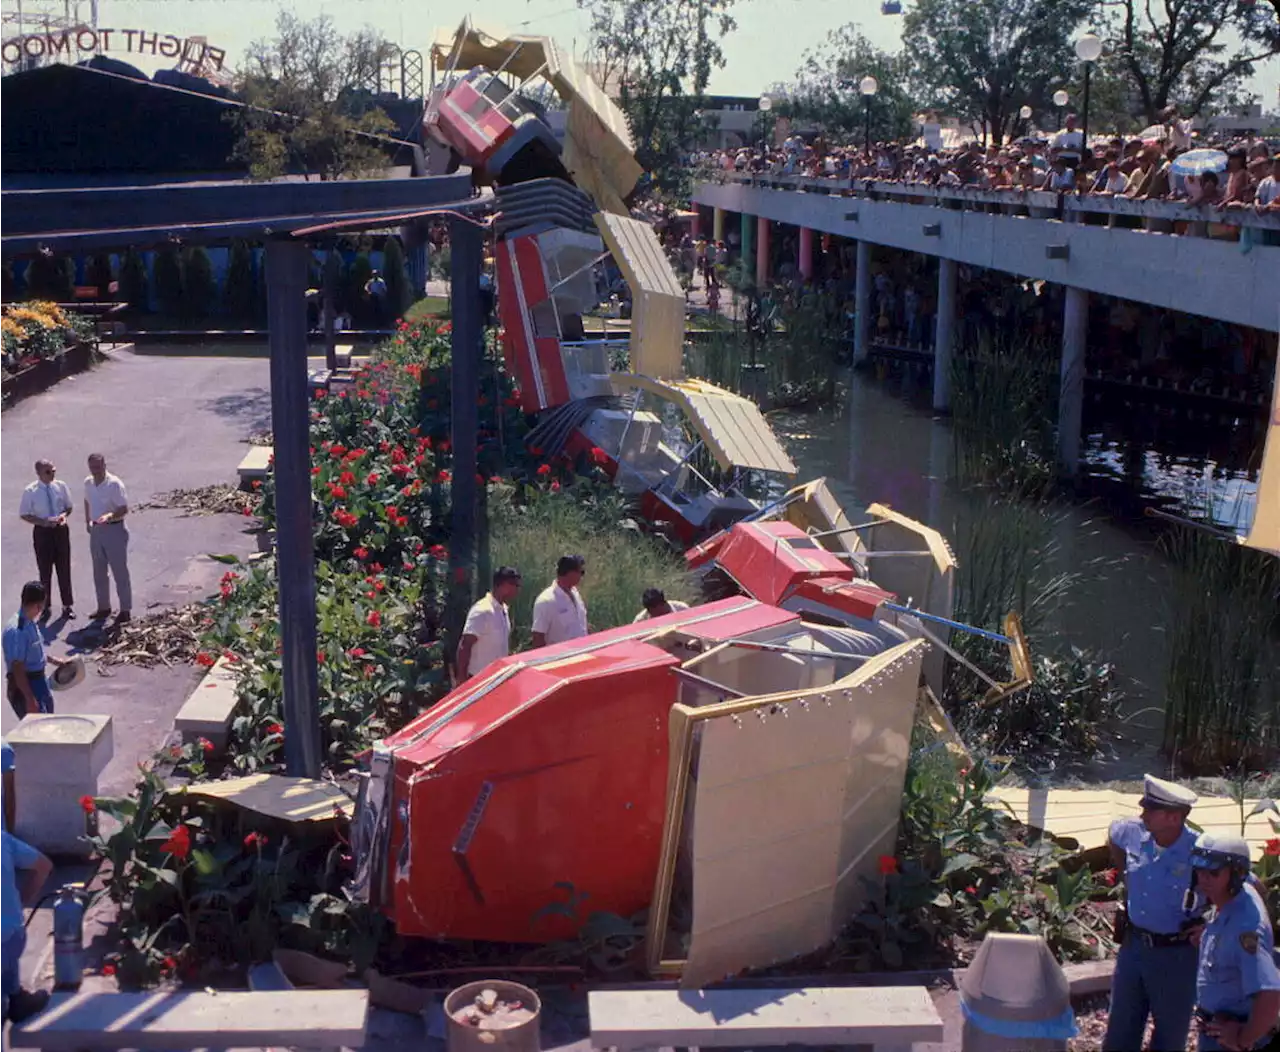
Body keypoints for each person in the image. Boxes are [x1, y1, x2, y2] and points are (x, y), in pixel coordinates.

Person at [1103, 774, 1204, 1052]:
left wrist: (1212, 925)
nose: (1142, 813)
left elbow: (1247, 886)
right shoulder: (1133, 832)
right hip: (1133, 946)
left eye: (1150, 809)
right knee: (1120, 1028)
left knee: (1170, 1034)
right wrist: (1125, 875)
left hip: (1176, 953)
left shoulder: (1201, 850)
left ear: (1173, 818)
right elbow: (1113, 834)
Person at [1191, 832, 1280, 1051]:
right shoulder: (1240, 891)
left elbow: (1270, 994)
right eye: (1200, 870)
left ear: (1235, 874)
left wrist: (1244, 1039)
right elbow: (1256, 884)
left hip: (1228, 1038)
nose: (1203, 879)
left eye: (1213, 872)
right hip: (1213, 1029)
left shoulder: (1246, 930)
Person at [0, 827, 53, 1023]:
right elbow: (44, 866)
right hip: (10, 937)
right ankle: (15, 997)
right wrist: (20, 903)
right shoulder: (3, 840)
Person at [3, 582, 74, 718]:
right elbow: (17, 667)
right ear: (38, 605)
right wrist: (29, 699)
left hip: (39, 683)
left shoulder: (30, 622)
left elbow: (33, 650)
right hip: (26, 686)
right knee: (39, 731)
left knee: (48, 723)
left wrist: (56, 661)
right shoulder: (18, 631)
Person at [19, 460, 74, 621]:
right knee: (45, 572)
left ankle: (67, 605)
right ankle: (45, 607)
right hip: (43, 533)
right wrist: (43, 522)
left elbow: (68, 507)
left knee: (64, 568)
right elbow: (24, 513)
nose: (52, 475)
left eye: (53, 471)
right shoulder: (31, 491)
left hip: (61, 531)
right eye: (48, 472)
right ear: (39, 473)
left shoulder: (60, 486)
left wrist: (64, 515)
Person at [83, 453, 131, 623]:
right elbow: (87, 501)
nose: (95, 471)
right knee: (99, 572)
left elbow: (123, 508)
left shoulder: (114, 484)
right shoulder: (88, 482)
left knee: (119, 571)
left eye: (98, 467)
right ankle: (104, 607)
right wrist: (87, 520)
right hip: (96, 530)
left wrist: (109, 516)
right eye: (92, 467)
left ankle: (125, 609)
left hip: (114, 529)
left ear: (104, 465)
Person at [456, 567, 521, 683]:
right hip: (478, 680)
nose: (517, 589)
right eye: (514, 585)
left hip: (497, 678)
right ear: (502, 584)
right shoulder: (483, 610)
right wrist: (462, 680)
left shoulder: (503, 610)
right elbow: (465, 645)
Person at [530, 555, 588, 648]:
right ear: (570, 573)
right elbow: (538, 637)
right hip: (561, 658)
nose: (582, 576)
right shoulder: (546, 601)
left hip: (581, 654)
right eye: (581, 572)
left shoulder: (575, 594)